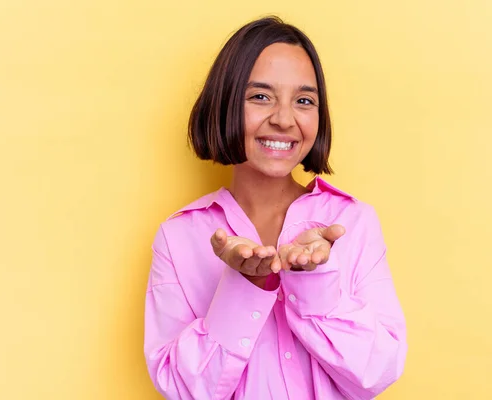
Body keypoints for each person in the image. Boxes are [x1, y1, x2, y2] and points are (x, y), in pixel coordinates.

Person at [144, 16, 407, 400]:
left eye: (303, 101)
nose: (284, 119)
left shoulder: (353, 222)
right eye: (260, 96)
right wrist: (245, 285)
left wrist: (315, 282)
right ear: (225, 104)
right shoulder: (178, 236)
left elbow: (376, 372)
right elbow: (183, 390)